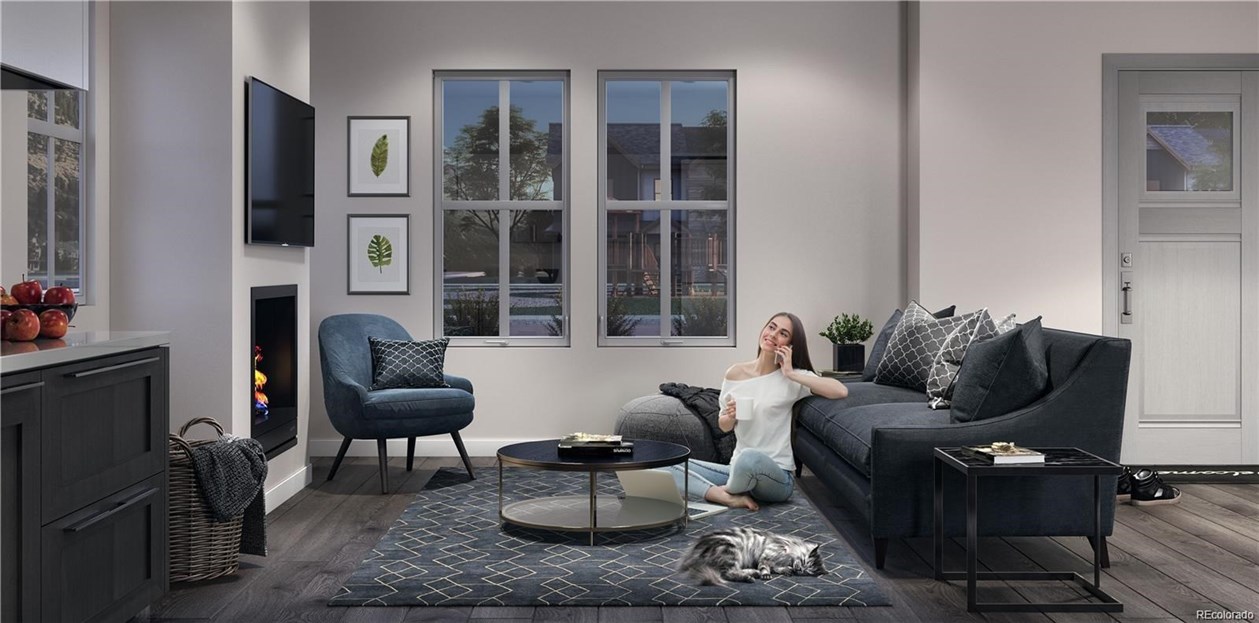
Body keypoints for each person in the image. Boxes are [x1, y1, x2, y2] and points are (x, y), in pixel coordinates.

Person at [661, 312, 848, 510]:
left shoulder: (793, 378)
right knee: (665, 464)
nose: (773, 334)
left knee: (749, 457)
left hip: (776, 476)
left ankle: (727, 490)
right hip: (737, 470)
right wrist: (730, 416)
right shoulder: (735, 373)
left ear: (790, 345)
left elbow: (840, 390)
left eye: (783, 333)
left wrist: (790, 373)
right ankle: (722, 495)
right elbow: (723, 426)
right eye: (772, 327)